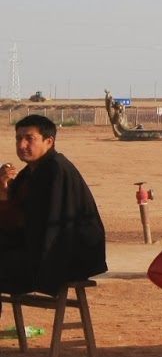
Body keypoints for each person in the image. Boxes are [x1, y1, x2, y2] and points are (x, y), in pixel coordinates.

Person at [0, 115, 107, 295]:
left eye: (29, 139)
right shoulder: (30, 172)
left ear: (48, 142)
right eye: (18, 138)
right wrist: (4, 192)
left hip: (64, 256)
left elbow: (37, 223)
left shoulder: (55, 170)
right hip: (37, 249)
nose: (22, 145)